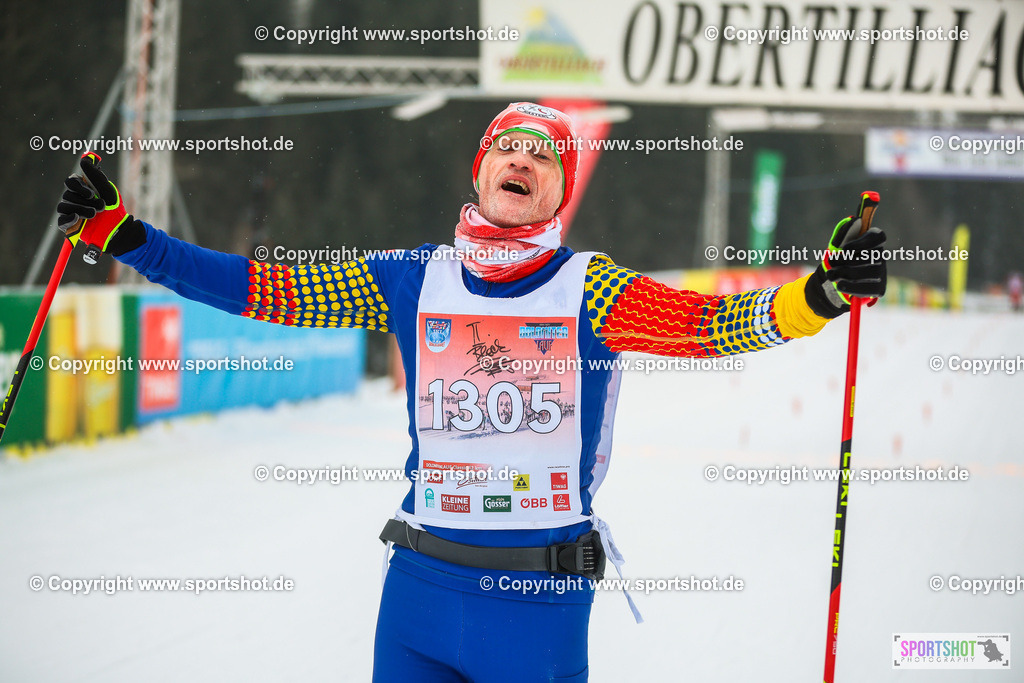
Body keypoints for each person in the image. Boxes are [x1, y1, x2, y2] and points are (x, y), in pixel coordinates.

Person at [56, 102, 887, 682]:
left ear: (561, 190)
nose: (521, 159)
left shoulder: (587, 289)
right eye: (506, 148)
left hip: (536, 599)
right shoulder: (415, 280)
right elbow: (258, 286)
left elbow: (711, 324)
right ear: (483, 170)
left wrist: (816, 295)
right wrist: (129, 236)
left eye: (544, 154)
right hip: (418, 591)